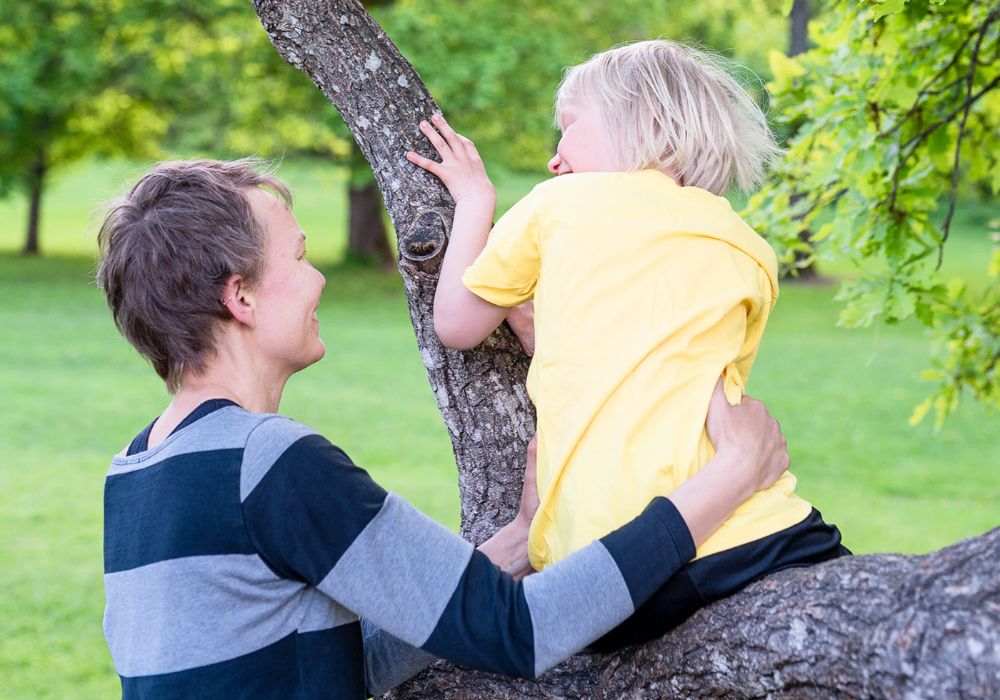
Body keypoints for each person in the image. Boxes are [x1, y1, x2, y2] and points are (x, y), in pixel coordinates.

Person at [98, 158, 793, 698]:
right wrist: (728, 477)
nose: (319, 281)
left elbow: (342, 664)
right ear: (240, 297)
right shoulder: (269, 464)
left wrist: (519, 541)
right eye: (301, 257)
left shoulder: (136, 469)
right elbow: (524, 633)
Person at [406, 39, 848, 650]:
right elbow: (684, 379)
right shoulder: (745, 245)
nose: (555, 158)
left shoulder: (559, 205)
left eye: (569, 130)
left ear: (644, 124)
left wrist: (476, 202)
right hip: (754, 532)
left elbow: (456, 324)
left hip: (605, 564)